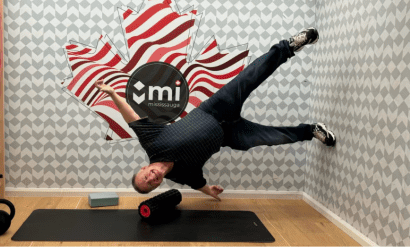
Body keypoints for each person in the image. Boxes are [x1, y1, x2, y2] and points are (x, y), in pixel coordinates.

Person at [95, 28, 336, 200]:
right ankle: (311, 130)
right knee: (269, 137)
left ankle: (289, 46)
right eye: (151, 184)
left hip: (215, 109)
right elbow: (197, 183)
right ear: (156, 185)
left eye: (145, 176)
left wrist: (113, 93)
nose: (151, 178)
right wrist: (209, 191)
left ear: (142, 169)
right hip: (229, 135)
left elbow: (132, 118)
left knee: (251, 76)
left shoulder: (152, 144)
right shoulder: (180, 176)